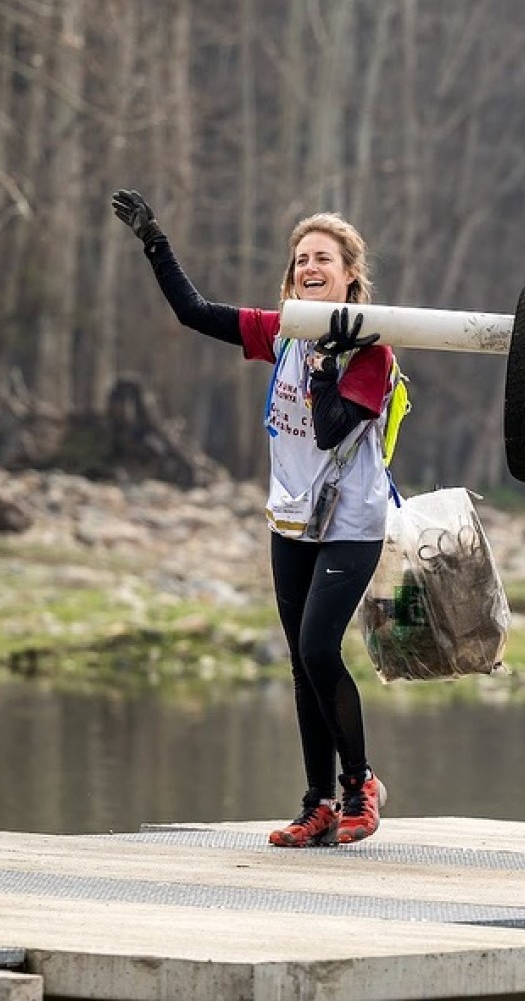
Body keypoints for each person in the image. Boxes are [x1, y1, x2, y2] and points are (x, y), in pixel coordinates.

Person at [111, 189, 393, 847]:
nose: (308, 267)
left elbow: (329, 432)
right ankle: (316, 803)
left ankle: (361, 786)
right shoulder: (282, 332)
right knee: (301, 661)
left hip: (352, 523)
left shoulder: (373, 352)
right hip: (291, 520)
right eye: (300, 260)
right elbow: (194, 313)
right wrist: (156, 243)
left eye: (322, 257)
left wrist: (326, 370)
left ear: (350, 271)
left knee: (322, 647)